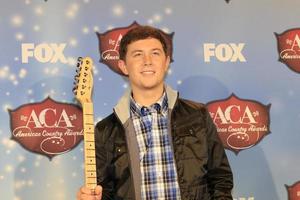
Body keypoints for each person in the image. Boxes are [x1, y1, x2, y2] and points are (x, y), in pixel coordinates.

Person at [77, 25, 233, 200]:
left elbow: (220, 179)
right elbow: (105, 192)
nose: (147, 61)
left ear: (166, 62)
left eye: (155, 53)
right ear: (123, 66)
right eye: (137, 54)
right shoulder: (105, 130)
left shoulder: (198, 115)